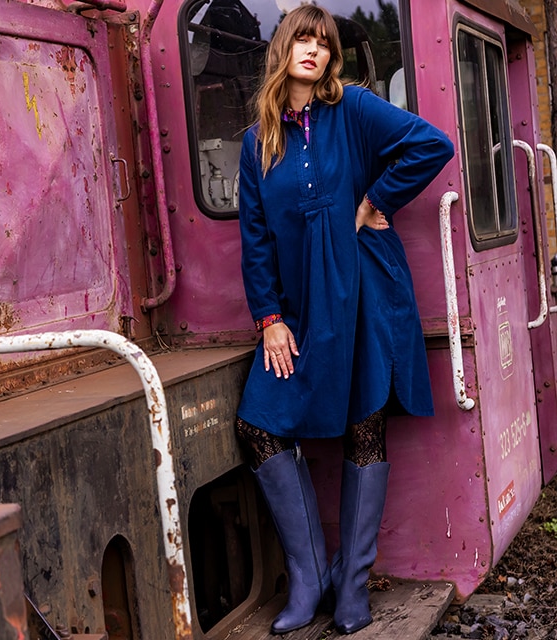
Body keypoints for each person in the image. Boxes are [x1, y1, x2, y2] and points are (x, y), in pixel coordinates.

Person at [235, 4, 454, 635]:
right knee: (260, 426)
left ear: (332, 58)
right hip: (301, 308)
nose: (313, 50)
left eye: (323, 44)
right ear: (283, 49)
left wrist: (374, 200)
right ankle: (310, 578)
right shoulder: (258, 142)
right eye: (301, 39)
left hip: (363, 291)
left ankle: (351, 586)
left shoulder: (352, 108)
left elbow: (429, 145)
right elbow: (254, 241)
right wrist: (270, 317)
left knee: (365, 424)